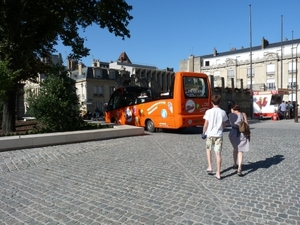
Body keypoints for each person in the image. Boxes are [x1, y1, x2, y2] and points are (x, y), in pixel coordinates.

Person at [202, 95, 228, 180]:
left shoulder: (208, 111)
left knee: (208, 149)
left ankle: (210, 166)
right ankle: (218, 173)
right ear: (219, 102)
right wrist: (221, 129)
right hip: (219, 135)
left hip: (210, 134)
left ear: (212, 102)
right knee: (218, 154)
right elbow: (224, 125)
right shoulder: (223, 112)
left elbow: (206, 124)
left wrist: (203, 132)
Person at [228, 103, 250, 176]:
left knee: (235, 148)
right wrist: (249, 134)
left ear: (232, 109)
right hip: (242, 133)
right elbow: (247, 124)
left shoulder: (230, 115)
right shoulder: (243, 114)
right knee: (240, 151)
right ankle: (239, 168)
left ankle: (235, 164)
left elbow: (231, 123)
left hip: (233, 133)